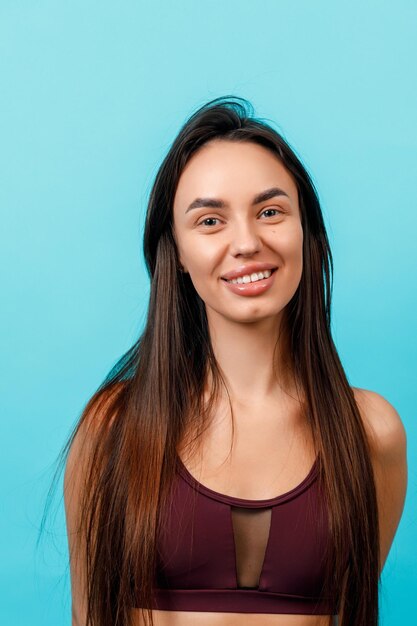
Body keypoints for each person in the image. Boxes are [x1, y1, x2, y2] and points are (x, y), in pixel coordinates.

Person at [63, 96, 408, 626]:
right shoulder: (113, 429)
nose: (246, 242)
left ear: (308, 233)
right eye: (209, 220)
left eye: (270, 211)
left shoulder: (370, 433)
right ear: (175, 251)